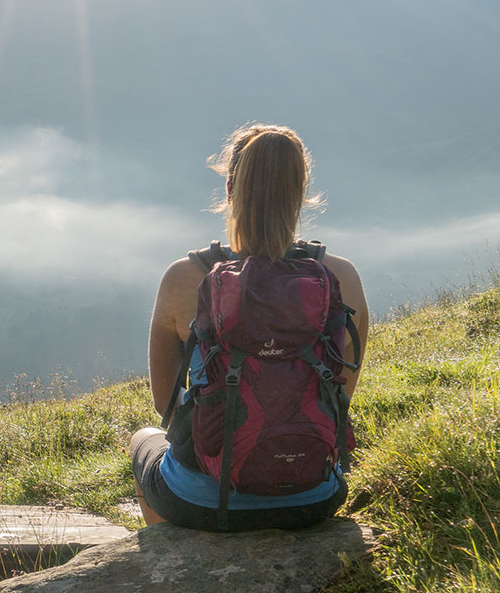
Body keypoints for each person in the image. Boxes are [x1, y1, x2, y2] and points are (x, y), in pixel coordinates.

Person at [127, 123, 370, 531]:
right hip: (314, 495)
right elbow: (340, 393)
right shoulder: (340, 276)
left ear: (229, 189)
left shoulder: (186, 277)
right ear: (300, 191)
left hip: (203, 500)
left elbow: (165, 405)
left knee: (143, 438)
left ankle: (168, 553)